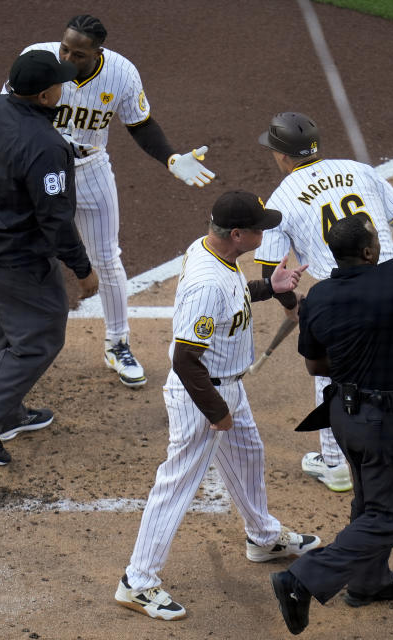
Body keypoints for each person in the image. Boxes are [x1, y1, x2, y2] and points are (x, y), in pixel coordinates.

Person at [270, 150, 393, 635]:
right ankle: (302, 578)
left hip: (343, 416)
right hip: (387, 421)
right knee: (389, 516)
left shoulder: (318, 298)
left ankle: (369, 581)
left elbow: (316, 364)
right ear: (369, 252)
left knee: (367, 501)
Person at [0, 14, 215, 395]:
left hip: (90, 167)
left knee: (107, 258)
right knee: (11, 259)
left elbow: (141, 123)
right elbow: (7, 111)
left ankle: (118, 344)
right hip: (38, 169)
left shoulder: (121, 74)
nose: (66, 57)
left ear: (98, 52)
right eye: (64, 47)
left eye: (77, 53)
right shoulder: (38, 60)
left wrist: (169, 158)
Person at [115, 190, 320, 621]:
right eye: (260, 227)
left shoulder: (213, 252)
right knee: (177, 482)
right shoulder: (207, 282)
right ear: (237, 233)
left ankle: (263, 537)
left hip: (226, 386)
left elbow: (233, 298)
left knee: (249, 455)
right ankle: (138, 580)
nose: (267, 232)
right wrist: (217, 413)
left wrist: (271, 287)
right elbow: (184, 360)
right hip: (202, 393)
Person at [254, 111, 393, 492]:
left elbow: (273, 274)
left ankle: (336, 464)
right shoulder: (359, 170)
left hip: (344, 296)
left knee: (333, 371)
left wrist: (292, 307)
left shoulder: (281, 198)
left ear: (283, 156)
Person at [0, 50, 100, 466]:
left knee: (0, 326)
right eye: (59, 82)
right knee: (40, 337)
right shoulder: (46, 145)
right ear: (45, 95)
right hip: (20, 256)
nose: (63, 86)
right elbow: (55, 219)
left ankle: (7, 408)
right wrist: (83, 269)